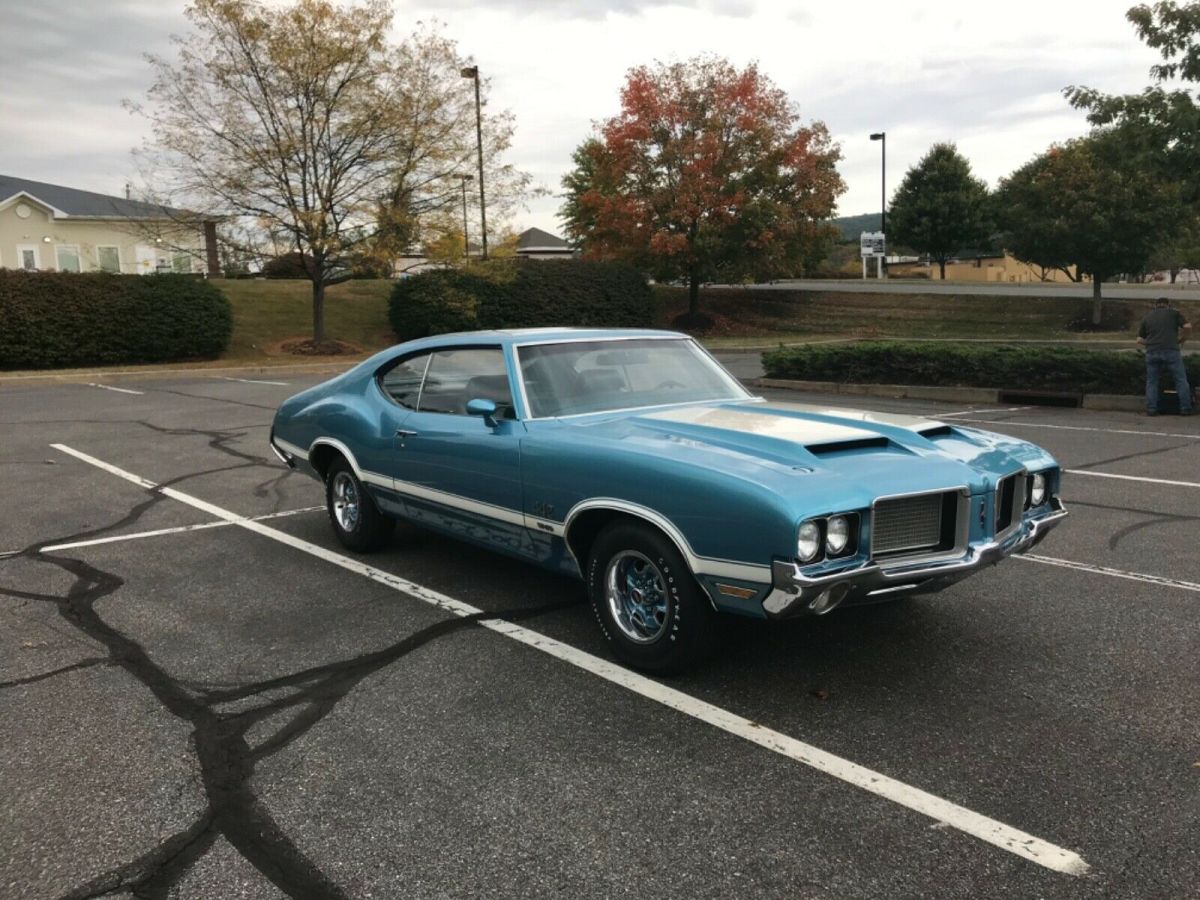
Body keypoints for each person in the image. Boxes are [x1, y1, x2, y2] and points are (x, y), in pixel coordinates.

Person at [1136, 297, 1193, 416]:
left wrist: (1151, 342)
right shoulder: (1174, 313)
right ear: (1168, 305)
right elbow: (1187, 326)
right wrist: (1182, 339)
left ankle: (1151, 409)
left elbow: (1139, 339)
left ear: (1155, 305)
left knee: (1152, 381)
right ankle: (1185, 408)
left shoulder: (1148, 317)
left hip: (1152, 352)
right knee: (1180, 379)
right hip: (1171, 350)